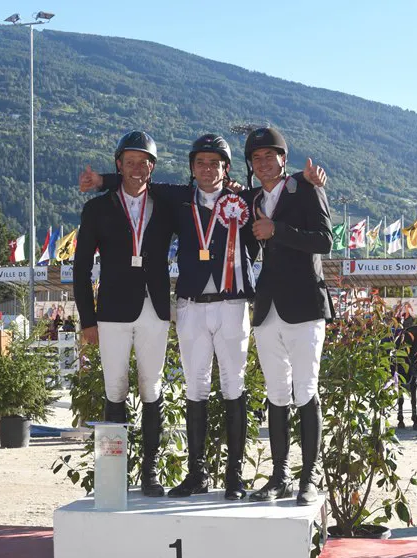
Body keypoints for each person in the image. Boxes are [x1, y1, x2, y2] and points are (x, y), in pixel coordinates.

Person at [80, 136, 326, 501]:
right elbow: (138, 178)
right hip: (191, 305)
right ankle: (197, 473)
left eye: (215, 163)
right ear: (192, 169)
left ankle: (234, 476)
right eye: (200, 163)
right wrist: (103, 179)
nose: (207, 169)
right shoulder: (178, 199)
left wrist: (307, 180)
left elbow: (278, 185)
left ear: (227, 169)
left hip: (233, 304)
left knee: (233, 386)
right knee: (194, 387)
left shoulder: (246, 199)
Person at [73, 131, 175, 497]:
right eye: (129, 162)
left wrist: (105, 178)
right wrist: (87, 320)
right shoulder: (96, 209)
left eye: (143, 162)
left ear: (153, 167)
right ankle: (113, 473)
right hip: (113, 311)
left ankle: (150, 472)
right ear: (118, 164)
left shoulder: (166, 205)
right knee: (114, 389)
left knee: (152, 388)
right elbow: (81, 268)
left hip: (154, 309)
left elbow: (192, 191)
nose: (136, 168)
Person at [244, 127, 334, 506]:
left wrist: (276, 229)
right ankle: (279, 477)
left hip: (305, 305)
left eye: (270, 155)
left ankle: (309, 477)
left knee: (306, 390)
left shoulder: (306, 188)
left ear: (283, 158)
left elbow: (325, 241)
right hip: (268, 309)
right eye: (257, 158)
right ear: (250, 164)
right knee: (276, 393)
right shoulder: (249, 198)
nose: (263, 163)